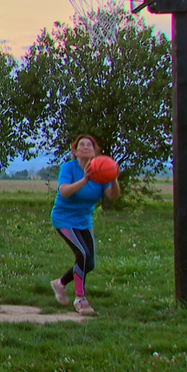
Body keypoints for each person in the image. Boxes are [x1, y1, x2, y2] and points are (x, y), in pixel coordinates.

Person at [49, 134, 120, 315]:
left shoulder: (101, 170)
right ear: (75, 151)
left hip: (83, 220)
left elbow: (113, 195)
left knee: (89, 263)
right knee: (82, 253)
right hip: (64, 218)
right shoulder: (68, 168)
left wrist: (114, 177)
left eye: (90, 145)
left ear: (95, 151)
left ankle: (60, 283)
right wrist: (84, 180)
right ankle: (80, 299)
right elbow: (64, 191)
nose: (86, 147)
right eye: (82, 144)